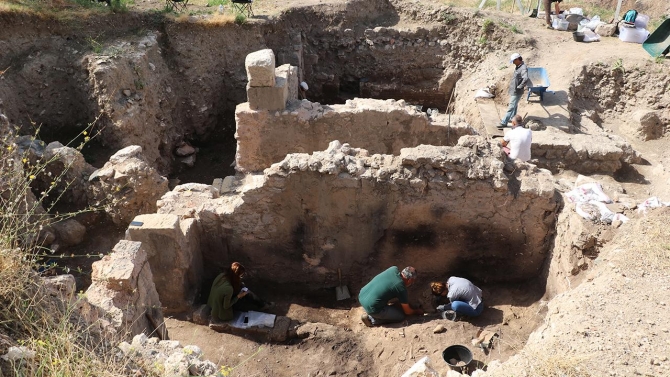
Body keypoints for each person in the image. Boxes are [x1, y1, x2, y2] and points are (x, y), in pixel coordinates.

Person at [359, 266, 423, 327]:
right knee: (400, 316)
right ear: (409, 280)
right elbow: (408, 312)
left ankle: (368, 308)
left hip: (362, 295)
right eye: (412, 281)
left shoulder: (393, 269)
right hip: (373, 308)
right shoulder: (401, 288)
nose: (411, 283)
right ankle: (371, 319)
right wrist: (416, 311)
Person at [207, 262, 272, 322]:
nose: (240, 277)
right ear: (236, 276)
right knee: (247, 295)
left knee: (244, 291)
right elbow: (226, 306)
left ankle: (262, 304)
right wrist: (238, 296)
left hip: (213, 304)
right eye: (240, 276)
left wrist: (240, 285)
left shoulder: (221, 276)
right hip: (221, 312)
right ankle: (262, 305)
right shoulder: (228, 289)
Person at [498, 53, 529, 130]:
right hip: (515, 90)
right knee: (514, 106)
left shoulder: (523, 68)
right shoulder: (518, 66)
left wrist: (520, 86)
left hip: (517, 91)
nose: (513, 63)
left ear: (518, 59)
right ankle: (513, 119)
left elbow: (525, 78)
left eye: (514, 61)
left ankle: (504, 122)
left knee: (511, 107)